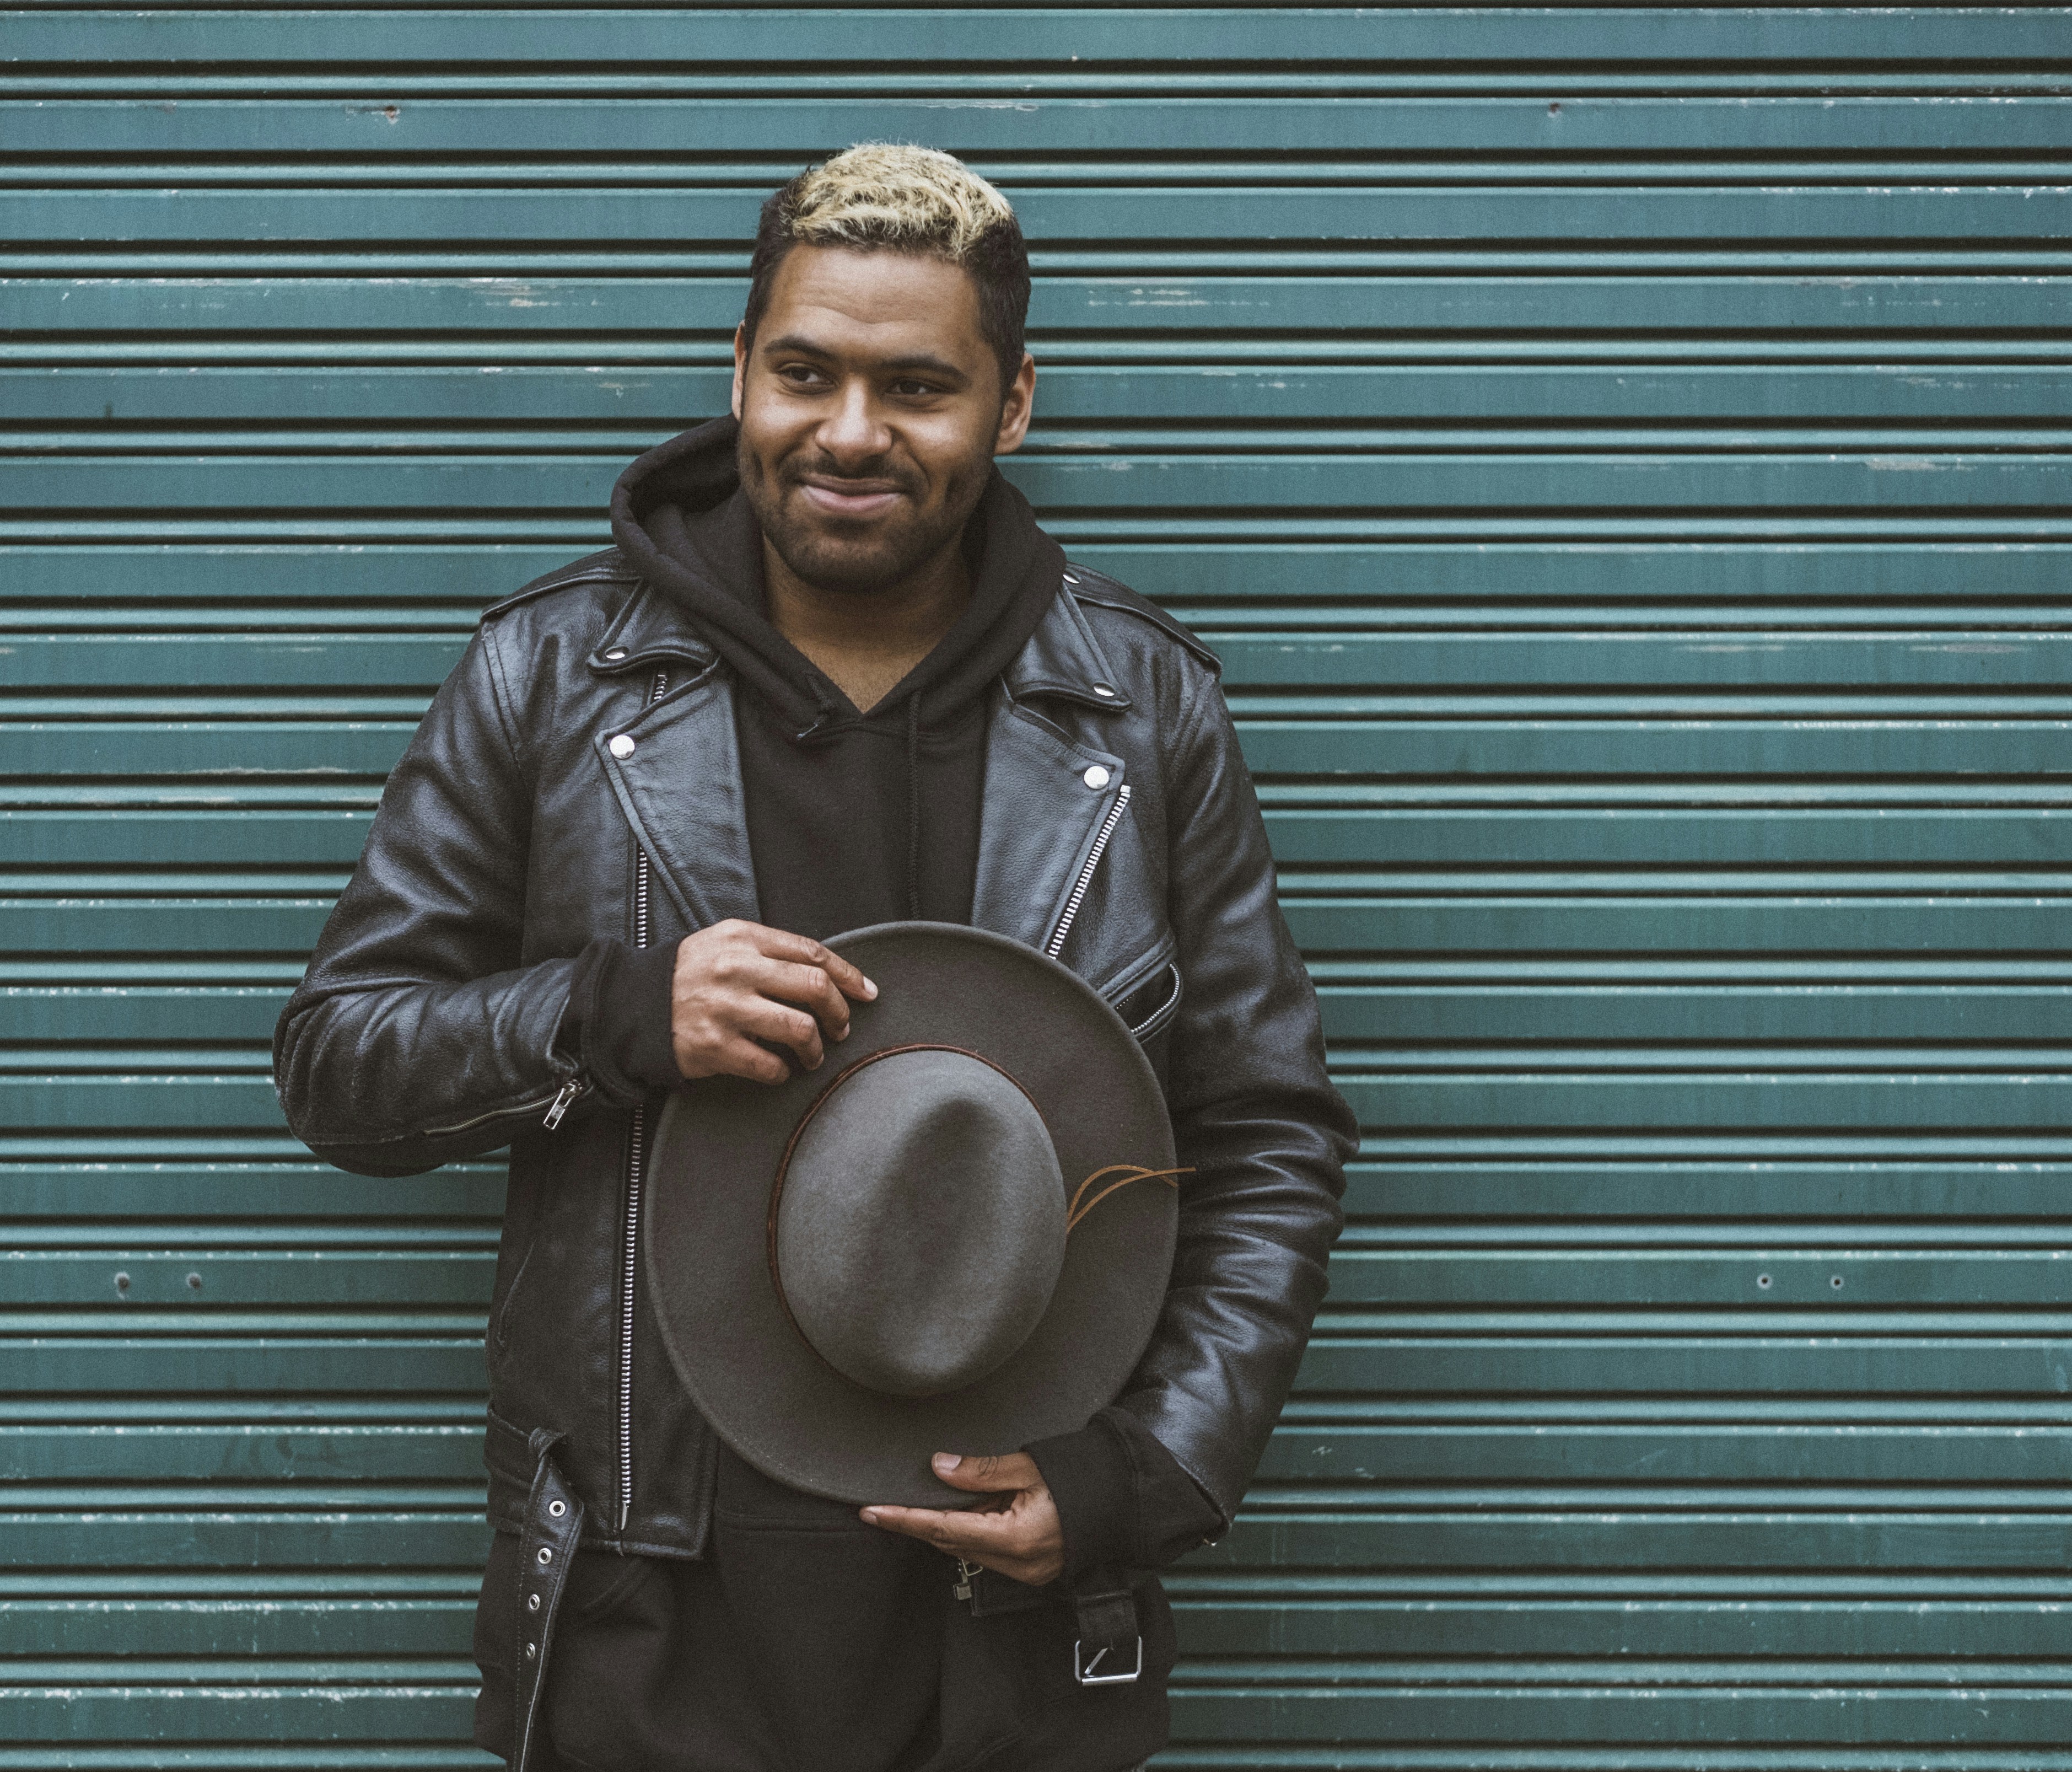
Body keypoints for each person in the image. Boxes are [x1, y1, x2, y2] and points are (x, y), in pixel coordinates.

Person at [274, 143, 1357, 1772]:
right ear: (740, 375)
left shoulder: (1141, 713)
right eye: (806, 374)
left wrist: (1142, 1475)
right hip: (647, 1620)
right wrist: (611, 1012)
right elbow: (342, 1063)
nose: (851, 433)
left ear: (1012, 405)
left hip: (1008, 1643)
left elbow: (1267, 1131)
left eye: (917, 387)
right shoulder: (551, 678)